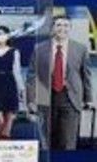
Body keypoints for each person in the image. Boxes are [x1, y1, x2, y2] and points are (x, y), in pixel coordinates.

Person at [31, 15, 94, 151]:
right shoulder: (39, 48)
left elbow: (86, 75)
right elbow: (32, 75)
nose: (62, 28)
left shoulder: (80, 48)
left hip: (71, 98)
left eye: (66, 25)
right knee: (48, 141)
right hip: (46, 97)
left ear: (70, 28)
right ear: (52, 28)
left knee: (67, 141)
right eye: (58, 25)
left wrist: (88, 99)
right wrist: (30, 100)